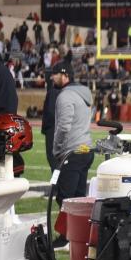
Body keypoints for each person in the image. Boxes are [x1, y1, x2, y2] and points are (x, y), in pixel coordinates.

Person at [51, 61, 94, 247]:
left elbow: (64, 126)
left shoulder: (66, 96)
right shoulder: (84, 93)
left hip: (72, 151)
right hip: (86, 149)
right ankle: (80, 234)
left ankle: (65, 236)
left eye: (54, 74)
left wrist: (57, 149)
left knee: (65, 197)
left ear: (64, 75)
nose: (51, 77)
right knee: (79, 197)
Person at [40, 66, 60, 171]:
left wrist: (45, 129)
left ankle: (56, 186)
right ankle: (57, 185)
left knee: (54, 161)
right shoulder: (56, 91)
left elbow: (50, 113)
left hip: (53, 129)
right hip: (59, 128)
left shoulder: (53, 92)